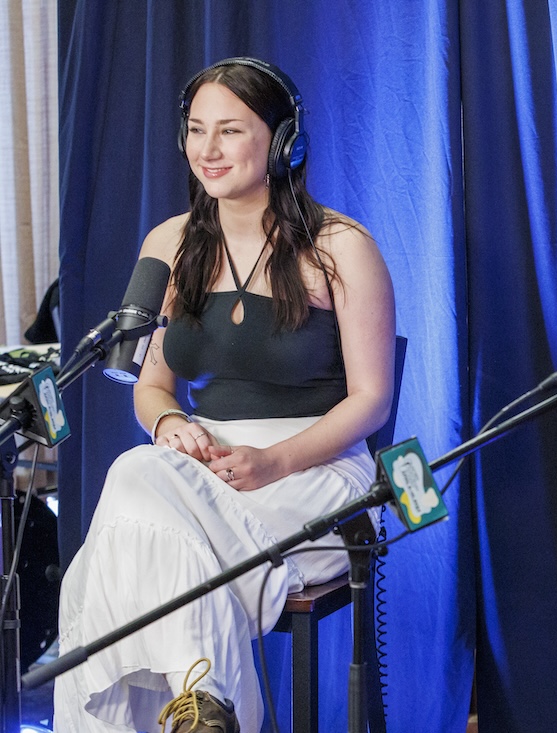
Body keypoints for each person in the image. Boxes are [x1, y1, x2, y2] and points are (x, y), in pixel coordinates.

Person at [54, 57, 396, 733]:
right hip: (202, 468)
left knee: (111, 545)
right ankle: (205, 707)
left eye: (230, 131)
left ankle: (203, 707)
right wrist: (170, 421)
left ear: (284, 140)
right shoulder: (169, 245)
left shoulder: (343, 248)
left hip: (318, 472)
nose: (206, 150)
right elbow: (150, 384)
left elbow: (372, 401)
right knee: (143, 470)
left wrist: (275, 461)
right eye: (195, 130)